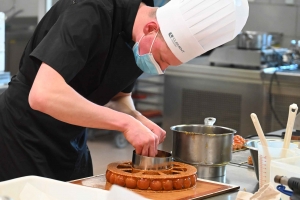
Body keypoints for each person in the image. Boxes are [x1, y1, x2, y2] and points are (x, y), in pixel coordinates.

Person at [0, 0, 249, 182]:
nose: (159, 68)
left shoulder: (140, 41)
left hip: (71, 141)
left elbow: (119, 97)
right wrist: (126, 125)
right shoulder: (90, 11)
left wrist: (135, 118)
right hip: (22, 135)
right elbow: (43, 94)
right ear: (151, 28)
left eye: (166, 66)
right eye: (162, 58)